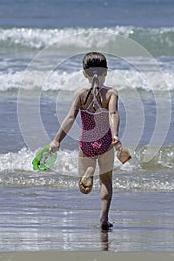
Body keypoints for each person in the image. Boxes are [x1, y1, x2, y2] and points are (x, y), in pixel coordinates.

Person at [49, 52, 122, 230]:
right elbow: (113, 114)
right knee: (106, 180)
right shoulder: (111, 93)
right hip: (105, 141)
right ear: (106, 72)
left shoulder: (80, 94)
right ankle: (104, 219)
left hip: (86, 142)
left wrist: (56, 140)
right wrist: (115, 136)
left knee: (84, 187)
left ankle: (89, 171)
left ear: (84, 73)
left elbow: (70, 117)